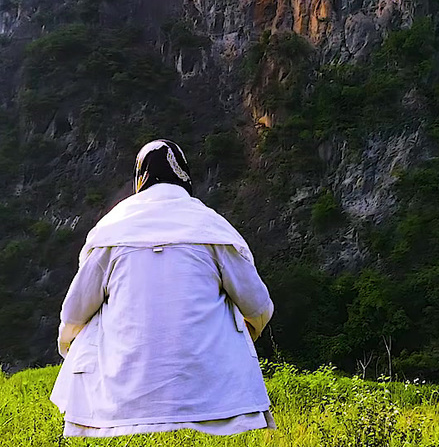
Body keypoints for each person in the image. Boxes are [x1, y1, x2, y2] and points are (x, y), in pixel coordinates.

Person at [50, 139, 275, 438]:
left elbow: (75, 312)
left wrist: (70, 348)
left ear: (140, 178)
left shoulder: (112, 229)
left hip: (118, 398)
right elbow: (258, 305)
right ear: (184, 176)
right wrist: (248, 330)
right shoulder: (212, 227)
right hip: (214, 393)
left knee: (88, 320)